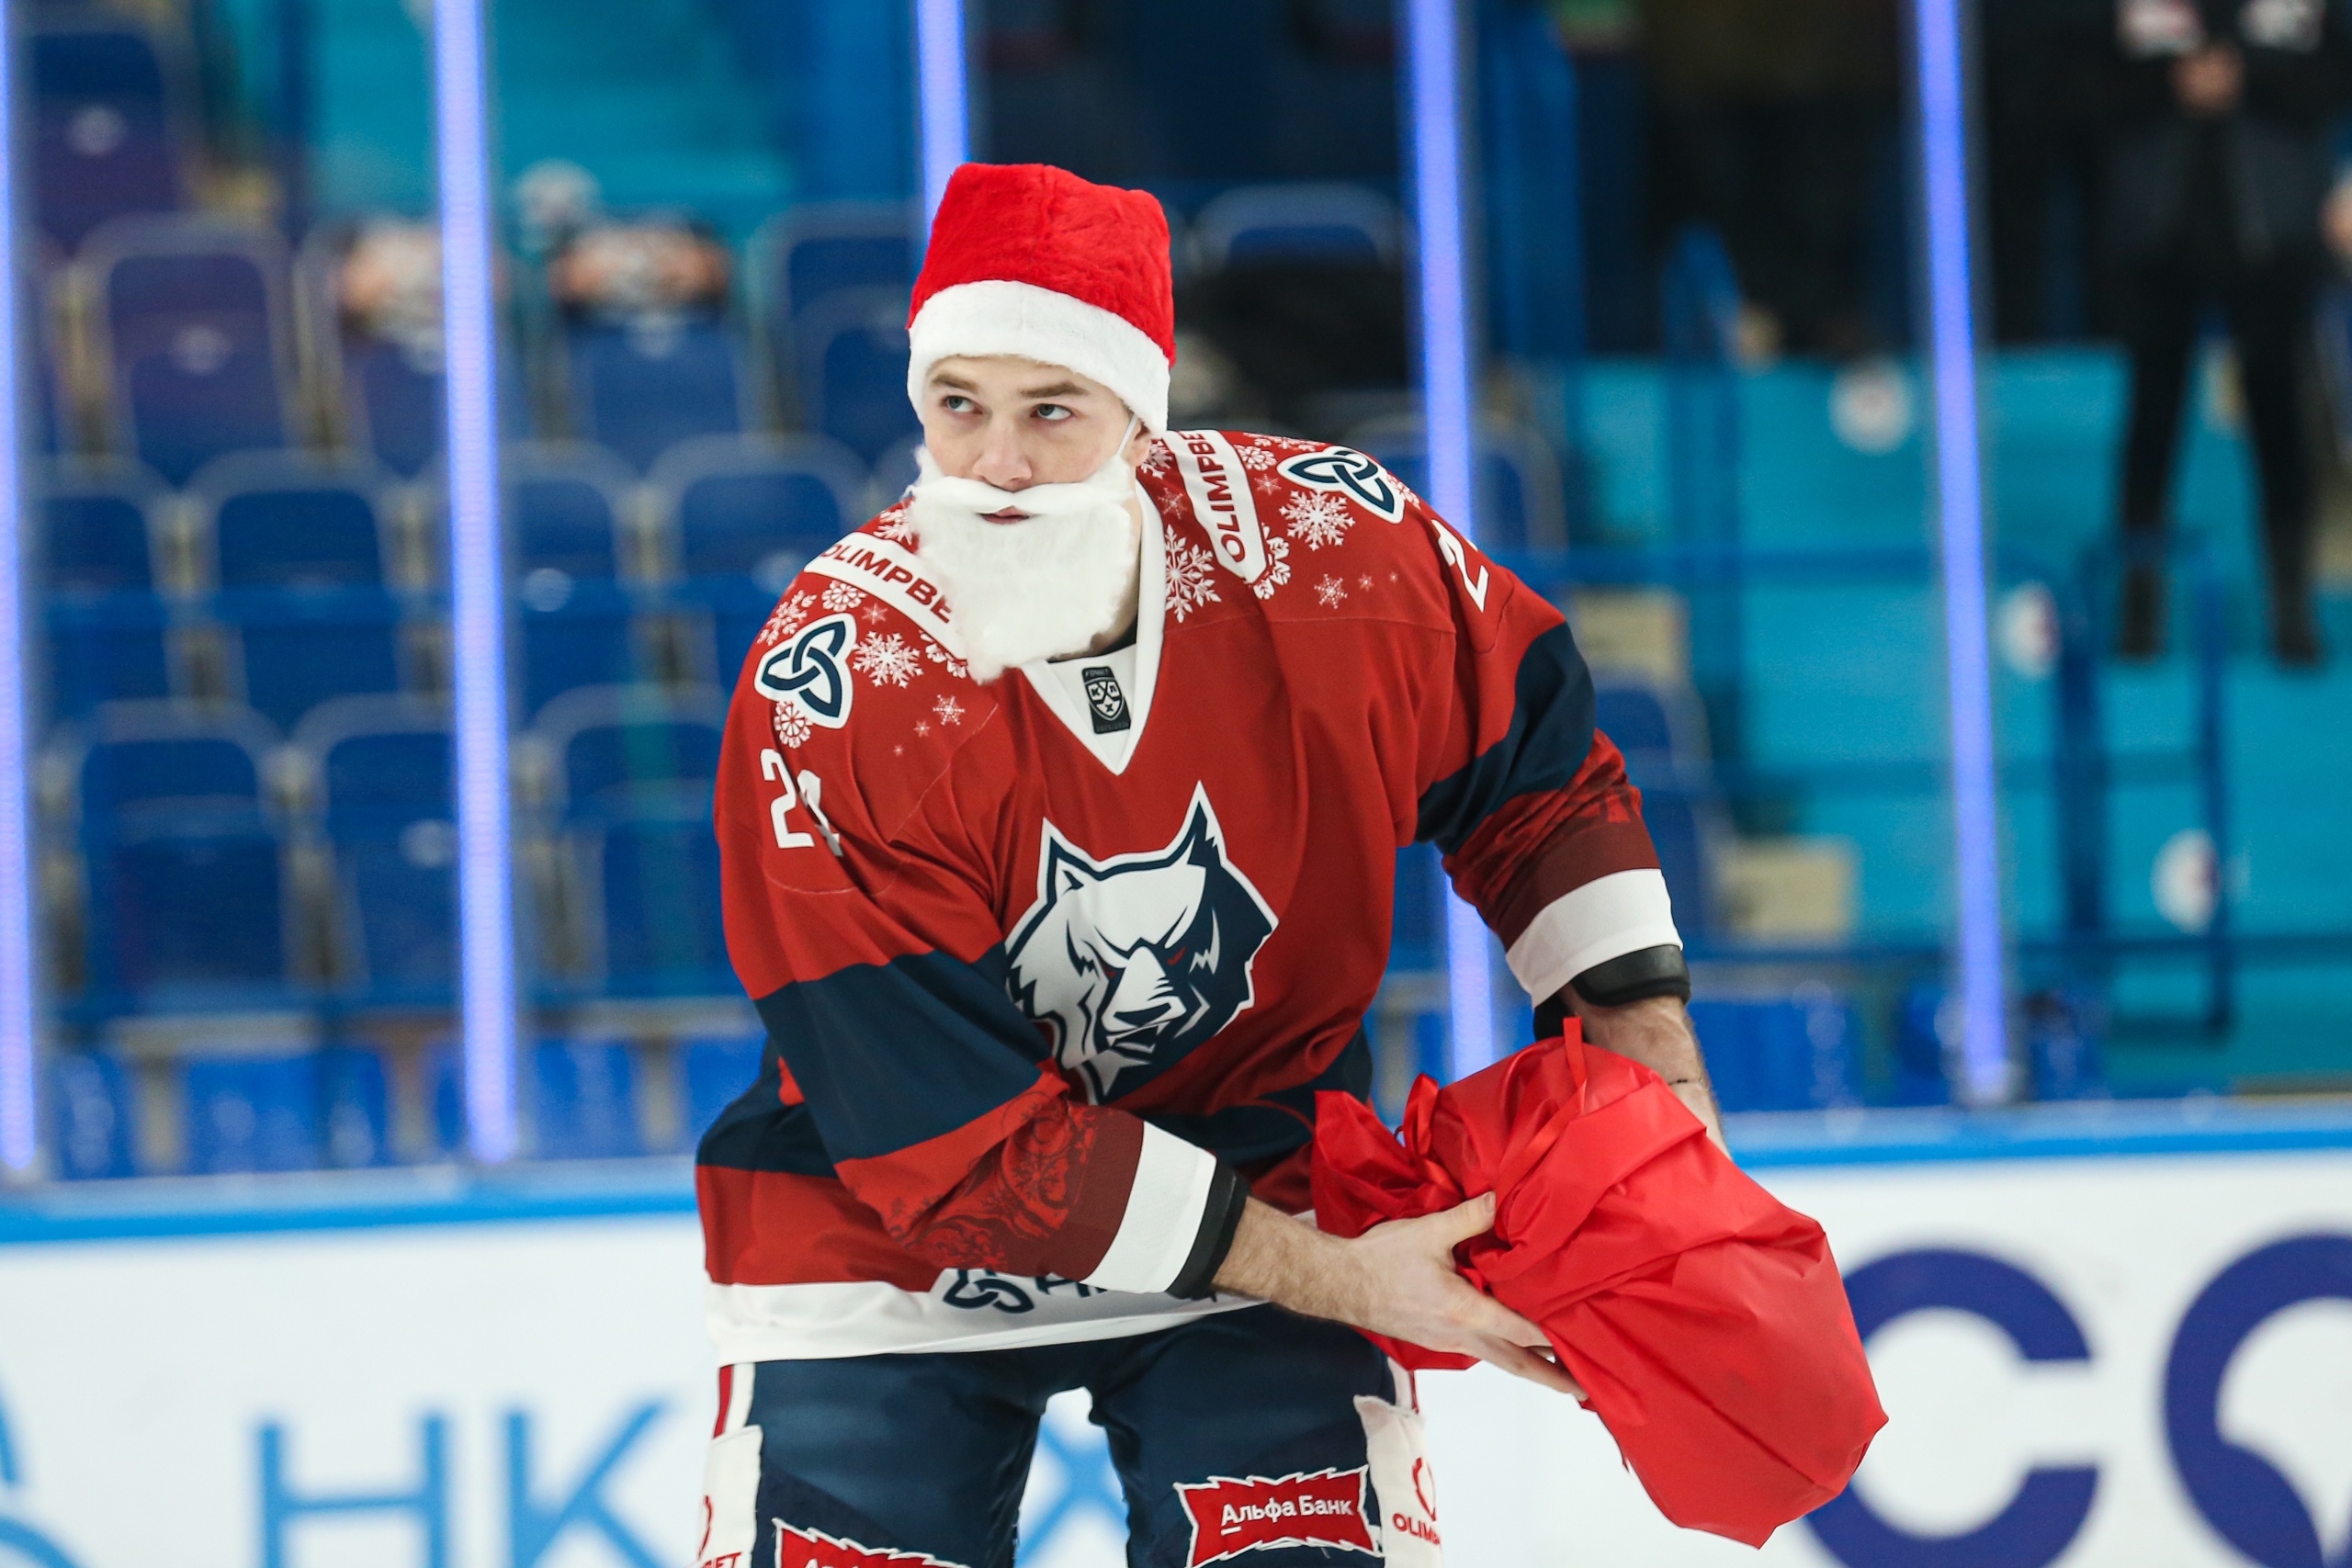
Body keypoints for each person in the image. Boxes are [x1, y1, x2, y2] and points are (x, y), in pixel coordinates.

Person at [693, 163, 1716, 1568]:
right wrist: (1345, 1276)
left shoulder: (1334, 551)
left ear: (1140, 413)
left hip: (1261, 1178)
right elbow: (953, 1146)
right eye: (959, 405)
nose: (996, 464)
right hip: (885, 1239)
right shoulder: (838, 686)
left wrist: (1639, 1036)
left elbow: (1534, 767)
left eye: (1053, 409)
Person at [2103, 0, 2352, 665]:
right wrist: (2169, 80)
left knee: (2280, 424)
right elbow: (2083, 81)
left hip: (2273, 241)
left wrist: (2247, 73)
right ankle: (2138, 611)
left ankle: (2293, 610)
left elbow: (2332, 75)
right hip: (2158, 240)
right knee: (2151, 426)